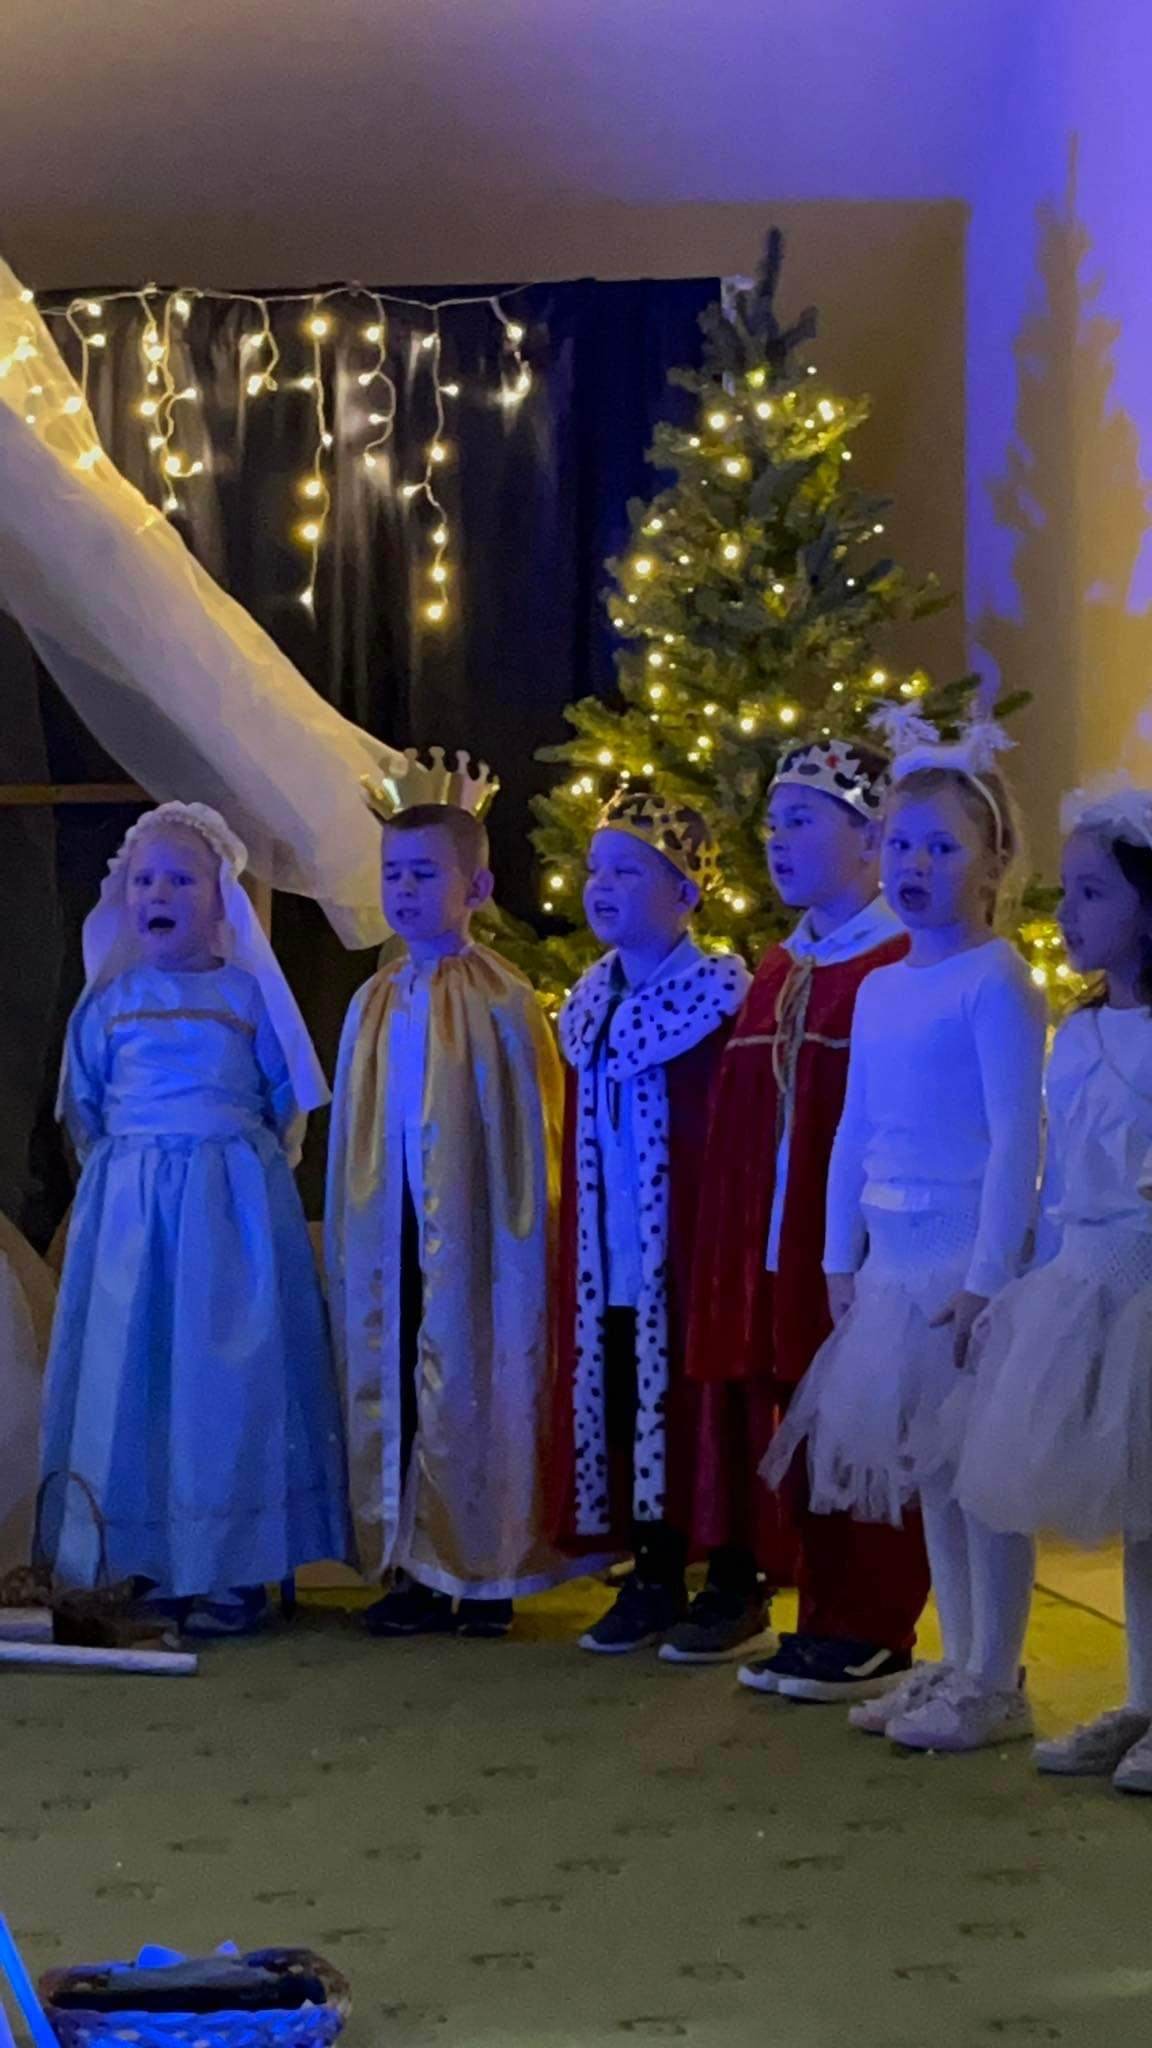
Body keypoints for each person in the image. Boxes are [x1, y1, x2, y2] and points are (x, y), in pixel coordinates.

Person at [762, 715, 1047, 1736]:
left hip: (964, 1266)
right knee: (930, 1472)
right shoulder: (882, 984)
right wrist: (839, 1256)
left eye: (944, 848)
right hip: (891, 1267)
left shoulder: (998, 979)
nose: (917, 865)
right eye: (904, 844)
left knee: (981, 1478)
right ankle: (955, 1661)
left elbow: (1016, 1138)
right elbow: (855, 1127)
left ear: (993, 864)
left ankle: (996, 1677)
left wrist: (987, 1277)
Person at [41, 801, 350, 1634]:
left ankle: (233, 1564)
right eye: (145, 880)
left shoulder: (248, 998)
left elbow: (285, 1103)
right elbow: (85, 1108)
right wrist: (136, 1173)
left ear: (222, 901)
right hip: (132, 1217)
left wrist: (224, 1166)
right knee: (135, 1371)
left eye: (181, 879)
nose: (159, 893)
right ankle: (143, 1556)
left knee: (223, 1376)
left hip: (225, 1215)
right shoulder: (108, 1006)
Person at [900, 784, 1152, 1777]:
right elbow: (1054, 1181)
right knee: (1132, 1507)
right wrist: (1021, 1285)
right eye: (1067, 889)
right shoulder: (1079, 1034)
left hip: (1144, 1291)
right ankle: (1140, 1701)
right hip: (1082, 1287)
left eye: (1093, 892)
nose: (1068, 911)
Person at [683, 738, 932, 1689]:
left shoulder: (896, 961)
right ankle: (825, 1614)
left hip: (863, 1247)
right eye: (772, 824)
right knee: (806, 1422)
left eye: (800, 822)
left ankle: (875, 1622)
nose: (776, 841)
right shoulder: (783, 966)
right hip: (777, 1247)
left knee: (868, 1425)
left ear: (870, 839)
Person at [326, 750, 568, 1639]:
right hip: (392, 1229)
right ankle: (415, 1567)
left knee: (475, 1378)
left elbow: (527, 1134)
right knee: (399, 1379)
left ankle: (487, 1565)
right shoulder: (374, 999)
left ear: (477, 887)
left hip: (474, 1234)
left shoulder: (504, 998)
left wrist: (511, 1231)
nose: (405, 890)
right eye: (394, 873)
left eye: (425, 874)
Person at [548, 789, 752, 1654]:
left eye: (629, 872)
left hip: (694, 1251)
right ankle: (654, 1571)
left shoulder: (721, 1000)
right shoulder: (589, 1005)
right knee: (628, 1394)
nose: (602, 886)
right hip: (614, 1252)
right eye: (597, 869)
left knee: (709, 1406)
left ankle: (734, 1582)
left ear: (685, 892)